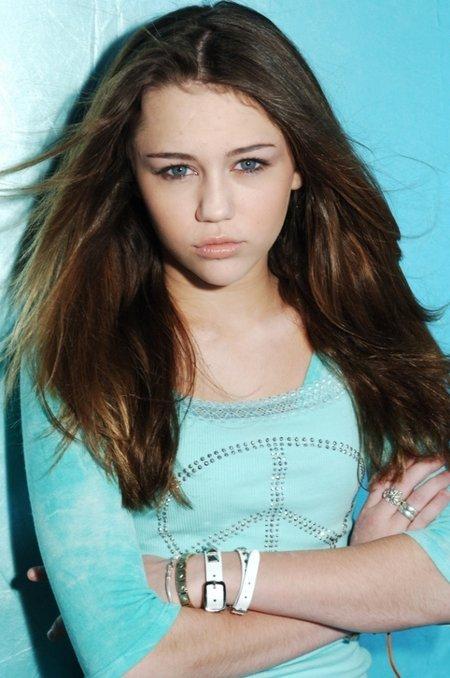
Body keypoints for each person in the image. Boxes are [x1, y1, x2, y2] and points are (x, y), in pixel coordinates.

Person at [1, 1, 449, 676]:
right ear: (131, 175)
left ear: (299, 163)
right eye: (176, 169)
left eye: (250, 164)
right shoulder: (78, 353)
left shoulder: (364, 330)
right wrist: (366, 584)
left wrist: (198, 577)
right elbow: (136, 663)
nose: (214, 208)